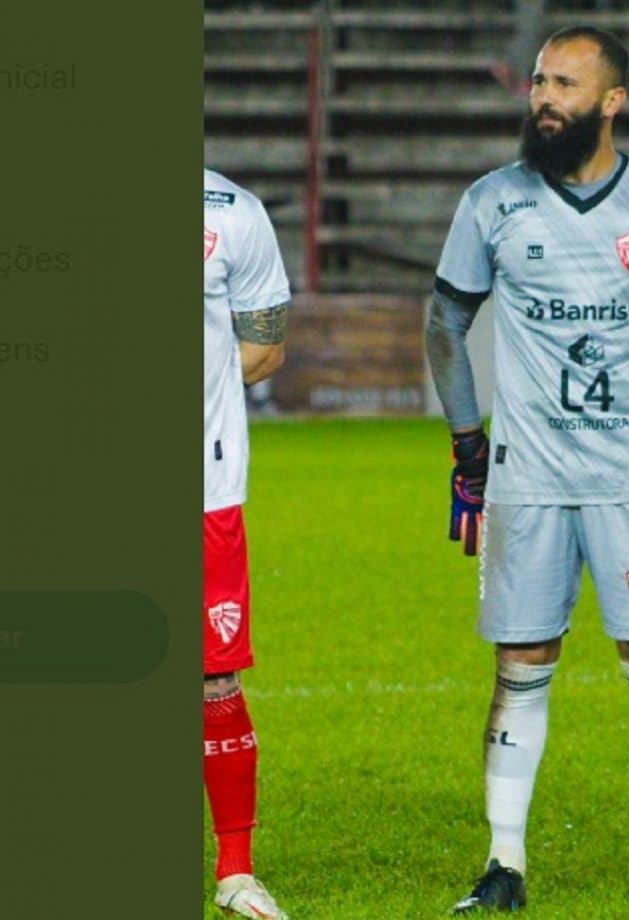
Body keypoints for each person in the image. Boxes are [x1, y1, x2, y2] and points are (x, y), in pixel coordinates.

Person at [426, 25, 629, 916]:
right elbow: (444, 323)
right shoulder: (493, 201)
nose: (544, 97)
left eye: (565, 83)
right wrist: (468, 449)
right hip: (527, 481)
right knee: (520, 660)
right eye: (538, 80)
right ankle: (503, 867)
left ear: (612, 101)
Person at [203, 168, 291, 920]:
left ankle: (236, 873)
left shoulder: (232, 212)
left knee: (213, 678)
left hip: (204, 486)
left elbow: (264, 348)